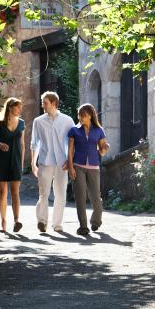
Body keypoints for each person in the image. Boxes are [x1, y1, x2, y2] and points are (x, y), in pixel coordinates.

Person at [30, 91, 75, 233]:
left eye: (45, 103)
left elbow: (73, 143)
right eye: (42, 103)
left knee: (61, 194)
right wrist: (33, 163)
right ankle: (42, 222)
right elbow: (34, 143)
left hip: (62, 163)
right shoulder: (38, 121)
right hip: (45, 162)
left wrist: (70, 161)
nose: (42, 105)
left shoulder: (67, 121)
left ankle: (57, 224)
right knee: (43, 194)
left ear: (54, 103)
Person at [67, 103, 109, 236]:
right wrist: (70, 167)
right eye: (79, 115)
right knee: (80, 197)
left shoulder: (99, 131)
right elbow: (70, 151)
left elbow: (102, 152)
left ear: (90, 116)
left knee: (96, 197)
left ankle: (96, 221)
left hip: (93, 166)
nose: (80, 118)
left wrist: (104, 148)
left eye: (83, 115)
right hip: (78, 166)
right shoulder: (74, 130)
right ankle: (83, 226)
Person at [0, 97, 25, 233]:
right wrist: (0, 144)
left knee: (15, 192)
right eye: (18, 107)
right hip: (1, 160)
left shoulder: (21, 123)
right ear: (10, 107)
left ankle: (17, 221)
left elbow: (22, 145)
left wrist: (21, 164)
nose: (20, 109)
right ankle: (3, 220)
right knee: (3, 192)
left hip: (16, 161)